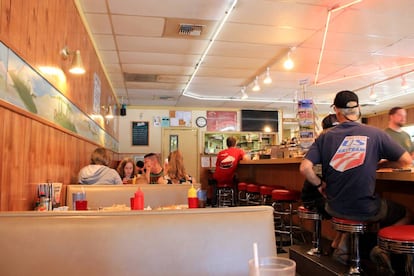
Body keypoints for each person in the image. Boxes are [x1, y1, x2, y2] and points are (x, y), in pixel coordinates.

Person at [299, 90, 412, 272]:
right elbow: (407, 161)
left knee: (352, 210)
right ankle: (381, 248)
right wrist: (379, 163)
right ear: (358, 108)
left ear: (336, 110)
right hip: (364, 208)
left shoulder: (325, 137)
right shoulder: (375, 134)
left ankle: (345, 248)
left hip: (333, 207)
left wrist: (320, 185)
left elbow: (304, 168)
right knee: (406, 213)